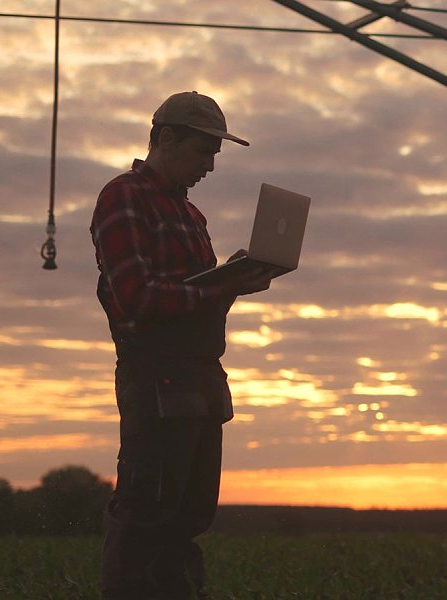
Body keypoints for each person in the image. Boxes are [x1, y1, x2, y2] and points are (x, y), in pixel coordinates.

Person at [91, 91, 272, 599]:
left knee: (187, 521)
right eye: (203, 151)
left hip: (201, 381)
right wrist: (217, 286)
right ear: (165, 139)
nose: (210, 165)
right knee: (146, 515)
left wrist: (233, 282)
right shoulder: (122, 196)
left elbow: (196, 302)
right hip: (156, 382)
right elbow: (137, 298)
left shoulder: (192, 216)